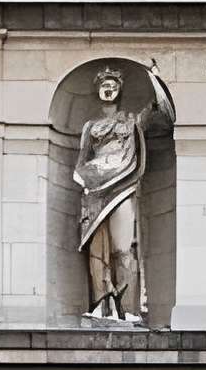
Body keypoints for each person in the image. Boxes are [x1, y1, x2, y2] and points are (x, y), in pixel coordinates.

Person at [73, 65, 170, 320]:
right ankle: (103, 303)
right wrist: (88, 179)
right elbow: (82, 162)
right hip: (95, 188)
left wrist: (157, 78)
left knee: (124, 246)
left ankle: (127, 307)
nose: (108, 89)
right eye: (104, 85)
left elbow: (160, 109)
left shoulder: (131, 120)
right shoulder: (90, 126)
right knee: (97, 246)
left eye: (113, 85)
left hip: (123, 184)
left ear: (119, 90)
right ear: (98, 90)